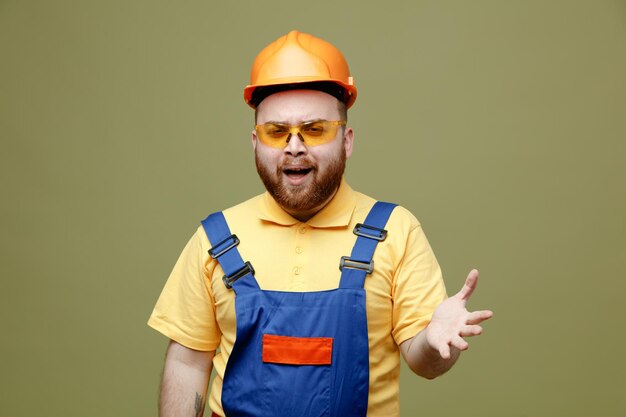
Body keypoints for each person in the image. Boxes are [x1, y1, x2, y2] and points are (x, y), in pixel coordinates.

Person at [148, 30, 493, 417]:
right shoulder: (215, 239)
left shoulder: (397, 231)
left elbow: (424, 361)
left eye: (315, 130)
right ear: (255, 142)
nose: (295, 146)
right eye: (276, 132)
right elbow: (187, 363)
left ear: (346, 141)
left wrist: (433, 342)